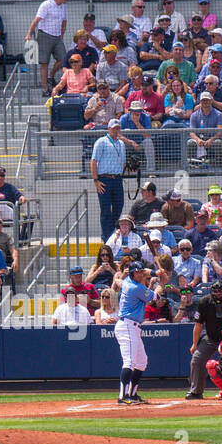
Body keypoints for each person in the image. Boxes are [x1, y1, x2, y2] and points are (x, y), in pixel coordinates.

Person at [185, 278, 222, 399]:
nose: (218, 294)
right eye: (216, 291)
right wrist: (194, 344)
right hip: (211, 338)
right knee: (197, 359)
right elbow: (198, 325)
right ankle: (196, 391)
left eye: (221, 291)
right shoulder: (204, 302)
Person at [115, 262, 155, 405]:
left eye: (141, 272)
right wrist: (161, 281)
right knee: (130, 362)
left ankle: (132, 394)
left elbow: (146, 275)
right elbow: (154, 297)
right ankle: (123, 397)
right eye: (137, 272)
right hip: (127, 326)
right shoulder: (135, 287)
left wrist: (156, 274)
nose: (140, 274)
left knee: (142, 362)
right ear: (132, 273)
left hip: (132, 327)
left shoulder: (127, 281)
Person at [91, 119, 128, 242]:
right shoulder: (101, 142)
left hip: (117, 179)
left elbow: (122, 162)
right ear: (109, 128)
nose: (116, 130)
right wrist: (96, 180)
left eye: (118, 128)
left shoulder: (121, 144)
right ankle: (106, 237)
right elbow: (94, 161)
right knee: (106, 209)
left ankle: (112, 232)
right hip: (104, 179)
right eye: (114, 128)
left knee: (119, 206)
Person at [27, 0, 69, 95]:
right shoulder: (46, 5)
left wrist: (62, 34)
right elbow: (36, 20)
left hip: (57, 37)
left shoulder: (63, 7)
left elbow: (64, 21)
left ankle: (51, 76)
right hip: (44, 35)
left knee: (63, 59)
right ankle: (45, 89)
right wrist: (28, 34)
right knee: (44, 62)